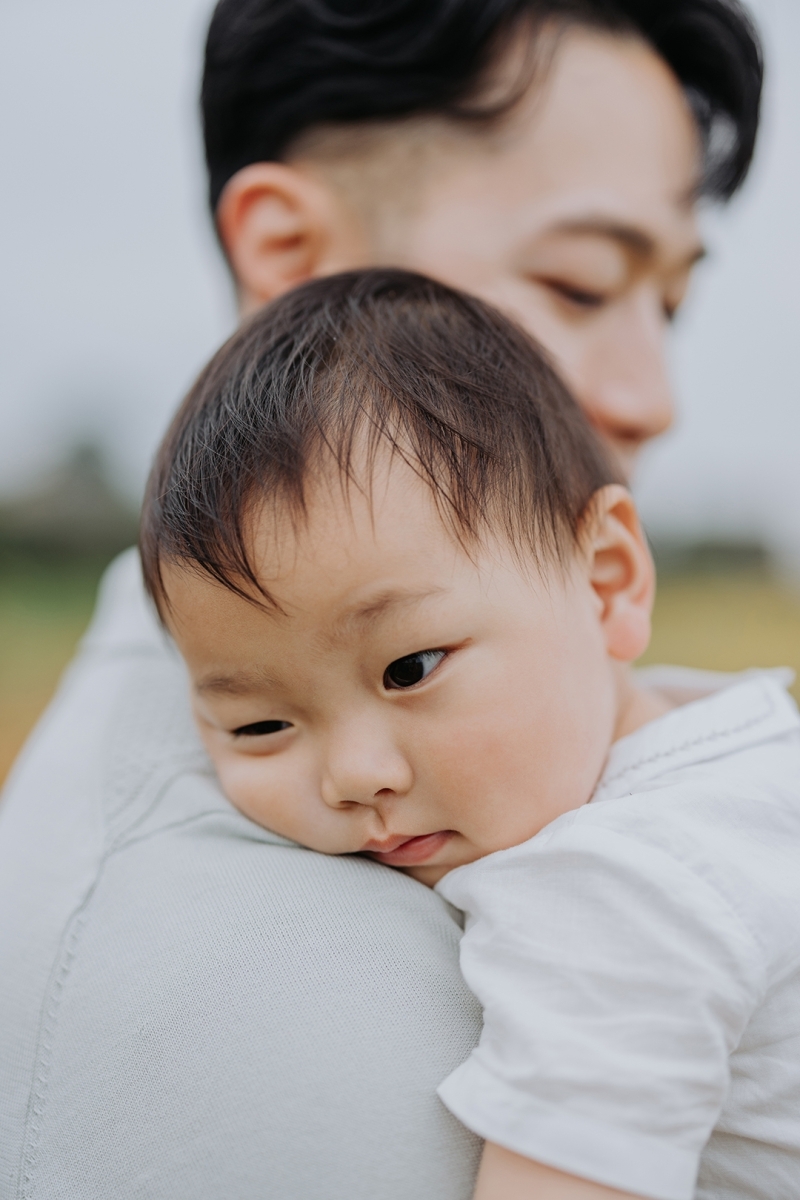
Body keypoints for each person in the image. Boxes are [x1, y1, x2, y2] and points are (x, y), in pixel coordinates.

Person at [0, 2, 763, 1196]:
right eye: (577, 281)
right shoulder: (261, 987)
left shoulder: (647, 772)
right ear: (293, 253)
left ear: (608, 576)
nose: (651, 394)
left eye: (665, 303)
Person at [142, 268, 800, 1200]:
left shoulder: (620, 894)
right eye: (260, 723)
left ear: (607, 580)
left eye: (411, 668)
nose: (354, 776)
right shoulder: (735, 738)